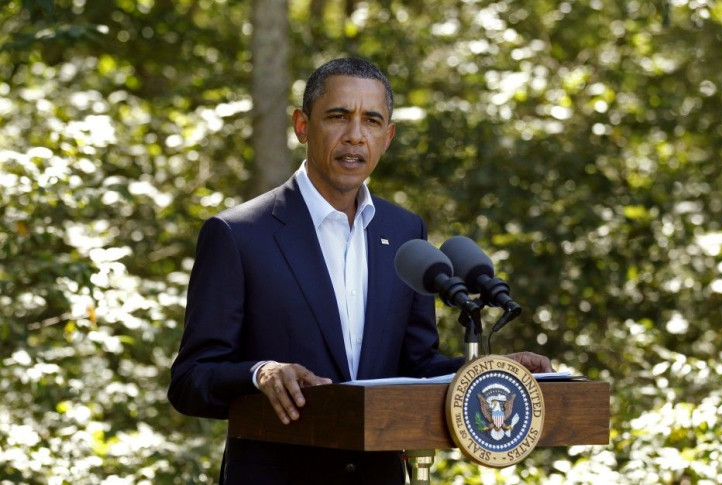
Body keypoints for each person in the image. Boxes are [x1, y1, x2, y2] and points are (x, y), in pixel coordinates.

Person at [168, 57, 553, 485]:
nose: (355, 136)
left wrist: (489, 373)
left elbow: (417, 365)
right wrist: (262, 373)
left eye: (371, 121)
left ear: (386, 138)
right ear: (302, 126)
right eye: (338, 116)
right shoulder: (238, 235)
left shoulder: (406, 232)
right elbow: (190, 380)